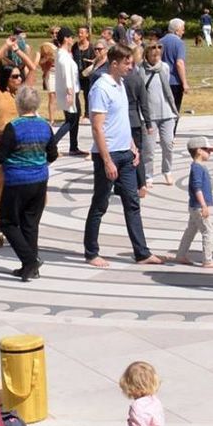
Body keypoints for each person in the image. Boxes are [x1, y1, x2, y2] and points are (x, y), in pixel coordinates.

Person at [84, 44, 163, 268]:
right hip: (107, 155)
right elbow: (97, 128)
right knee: (100, 204)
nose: (131, 66)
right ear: (114, 63)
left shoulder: (120, 84)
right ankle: (91, 252)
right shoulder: (101, 88)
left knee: (133, 202)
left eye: (131, 62)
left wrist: (132, 146)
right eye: (127, 62)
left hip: (126, 154)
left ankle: (141, 252)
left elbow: (122, 120)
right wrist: (107, 160)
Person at [0, 84, 58, 280]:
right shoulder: (45, 125)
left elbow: (1, 154)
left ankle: (30, 261)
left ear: (18, 103)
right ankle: (30, 268)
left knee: (6, 221)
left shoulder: (14, 126)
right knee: (30, 224)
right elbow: (52, 154)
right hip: (39, 181)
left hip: (17, 181)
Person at [135, 42, 179, 186]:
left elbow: (167, 89)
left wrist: (173, 109)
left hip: (166, 113)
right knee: (149, 148)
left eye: (158, 53)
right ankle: (148, 175)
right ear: (147, 54)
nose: (156, 56)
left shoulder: (164, 68)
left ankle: (167, 170)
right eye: (153, 54)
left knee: (168, 144)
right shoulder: (140, 69)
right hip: (149, 115)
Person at [176, 136, 213, 267]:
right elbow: (197, 187)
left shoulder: (198, 167)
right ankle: (207, 260)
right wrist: (204, 205)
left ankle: (181, 255)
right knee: (208, 231)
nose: (210, 153)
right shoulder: (197, 168)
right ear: (199, 151)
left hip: (194, 206)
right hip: (199, 206)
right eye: (208, 150)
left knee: (191, 230)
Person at [50, 28, 83, 156]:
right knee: (71, 120)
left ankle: (73, 146)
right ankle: (51, 144)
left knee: (74, 118)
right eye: (70, 37)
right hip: (69, 91)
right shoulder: (62, 55)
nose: (72, 39)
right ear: (65, 39)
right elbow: (66, 74)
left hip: (73, 89)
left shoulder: (64, 53)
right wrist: (69, 91)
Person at [161, 18, 189, 115]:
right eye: (182, 29)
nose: (183, 32)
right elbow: (179, 63)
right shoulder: (179, 43)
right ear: (177, 30)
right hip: (175, 81)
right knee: (174, 109)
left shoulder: (160, 41)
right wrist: (184, 83)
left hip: (162, 80)